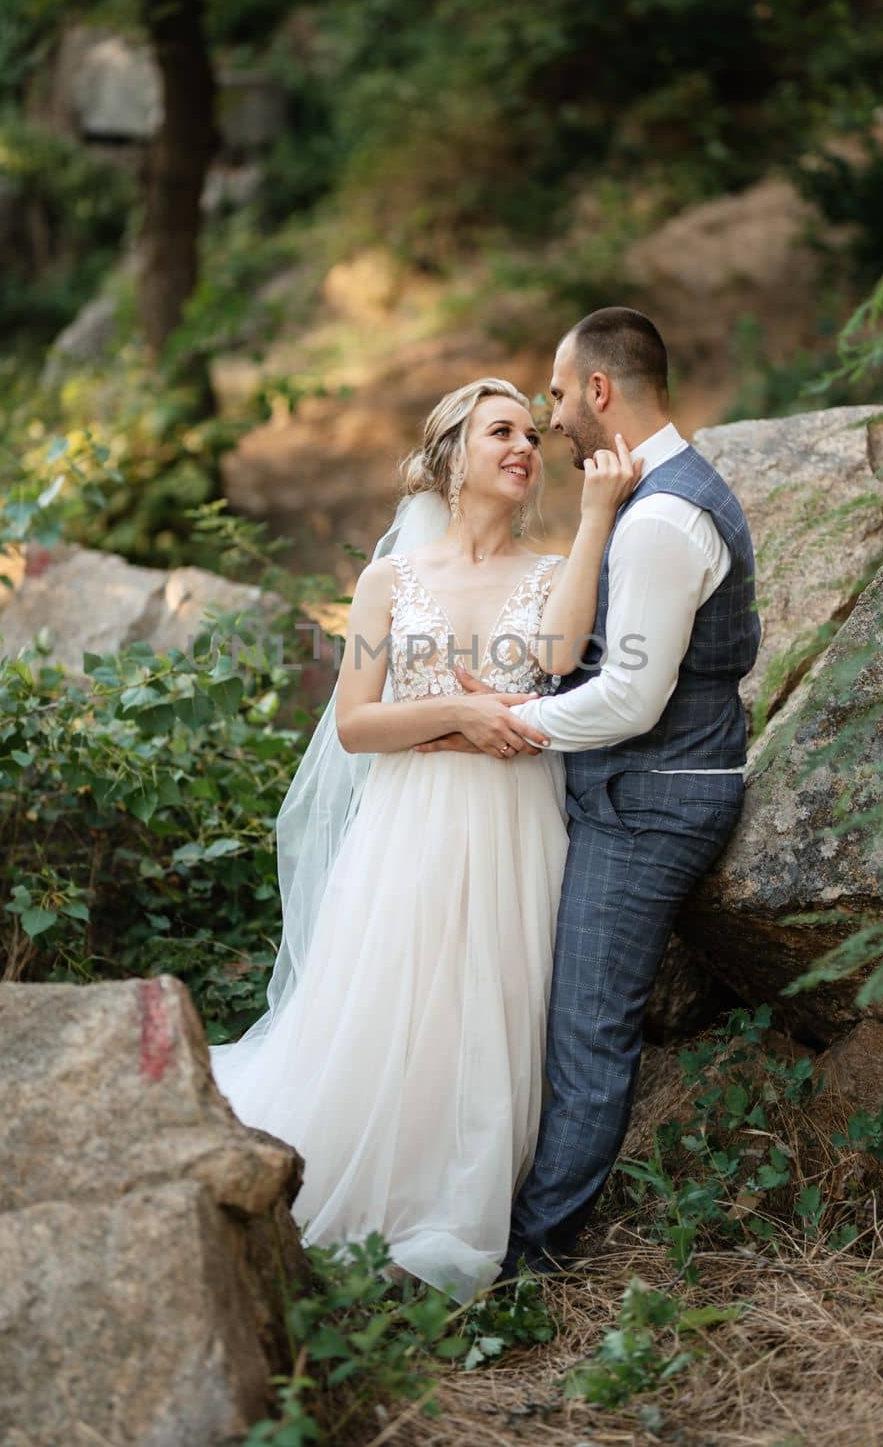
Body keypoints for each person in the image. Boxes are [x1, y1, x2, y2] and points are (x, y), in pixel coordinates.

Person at [209, 376, 641, 1299]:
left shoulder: (550, 568)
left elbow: (562, 662)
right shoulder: (388, 582)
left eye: (531, 433)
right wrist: (458, 707)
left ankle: (450, 1200)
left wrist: (599, 516)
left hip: (515, 824)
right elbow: (359, 725)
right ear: (452, 456)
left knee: (489, 1002)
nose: (525, 446)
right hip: (408, 826)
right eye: (501, 432)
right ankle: (374, 1186)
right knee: (399, 1000)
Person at [415, 308, 761, 1280]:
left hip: (653, 803)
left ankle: (534, 1260)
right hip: (635, 782)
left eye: (561, 395)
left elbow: (631, 695)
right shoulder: (648, 492)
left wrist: (515, 721)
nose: (553, 415)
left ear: (601, 391)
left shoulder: (661, 518)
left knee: (588, 1029)